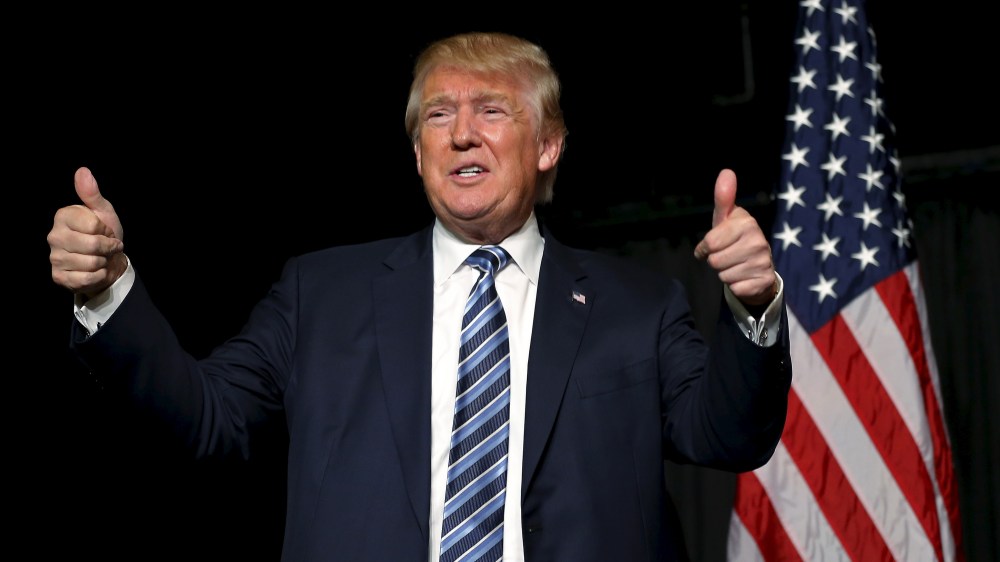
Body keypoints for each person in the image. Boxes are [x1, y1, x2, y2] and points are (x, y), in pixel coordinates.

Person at [48, 31, 791, 561]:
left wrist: (753, 306)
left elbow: (725, 435)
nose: (462, 133)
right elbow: (206, 419)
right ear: (416, 152)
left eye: (492, 110)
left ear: (548, 145)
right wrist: (113, 291)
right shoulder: (320, 294)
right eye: (438, 115)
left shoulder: (638, 305)